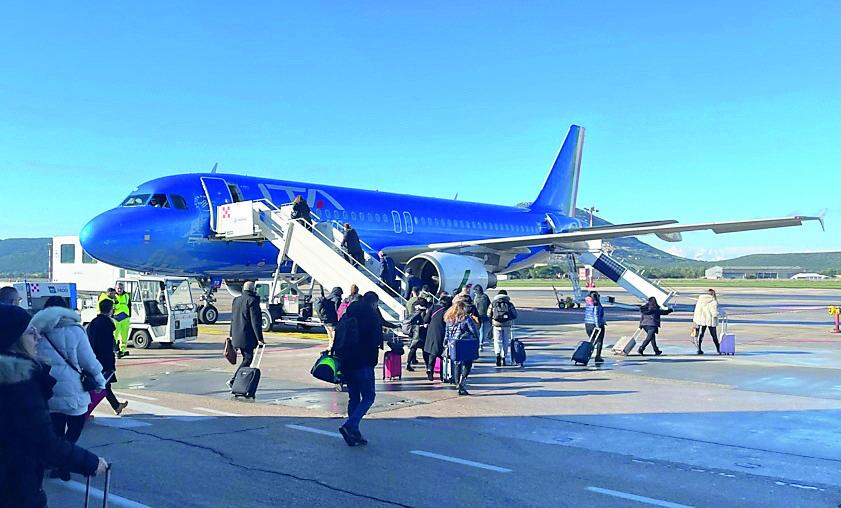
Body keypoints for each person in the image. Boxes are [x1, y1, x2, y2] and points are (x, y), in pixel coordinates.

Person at [0, 304, 109, 507]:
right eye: (30, 332)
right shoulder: (19, 384)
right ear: (13, 340)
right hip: (15, 488)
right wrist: (90, 463)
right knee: (70, 430)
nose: (37, 337)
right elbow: (43, 442)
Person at [31, 296, 107, 482]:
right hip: (73, 390)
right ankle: (64, 461)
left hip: (48, 389)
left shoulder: (36, 331)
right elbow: (88, 360)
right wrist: (100, 380)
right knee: (75, 428)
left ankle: (56, 460)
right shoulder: (75, 330)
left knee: (56, 429)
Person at [336, 291, 383, 446]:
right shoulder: (372, 317)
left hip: (347, 361)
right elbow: (375, 341)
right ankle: (350, 424)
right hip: (364, 362)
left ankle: (354, 432)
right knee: (369, 396)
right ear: (374, 303)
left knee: (354, 397)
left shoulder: (348, 313)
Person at [86, 298, 128, 415]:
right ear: (110, 310)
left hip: (92, 359)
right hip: (103, 360)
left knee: (103, 385)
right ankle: (86, 411)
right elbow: (107, 346)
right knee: (101, 386)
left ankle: (116, 406)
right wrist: (111, 364)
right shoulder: (107, 324)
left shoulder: (93, 322)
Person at [227, 281, 265, 389]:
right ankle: (234, 380)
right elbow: (255, 321)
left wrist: (231, 334)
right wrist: (260, 338)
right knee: (248, 358)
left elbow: (233, 318)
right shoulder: (252, 301)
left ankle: (239, 380)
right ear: (253, 290)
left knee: (246, 358)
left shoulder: (236, 300)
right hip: (246, 336)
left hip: (236, 335)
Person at [444, 299, 479, 396]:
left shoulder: (449, 318)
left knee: (456, 363)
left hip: (453, 343)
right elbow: (474, 331)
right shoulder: (466, 318)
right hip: (464, 343)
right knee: (468, 362)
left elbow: (446, 333)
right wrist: (476, 340)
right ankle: (462, 381)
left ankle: (457, 383)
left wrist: (446, 343)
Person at [423, 295, 451, 381]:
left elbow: (425, 319)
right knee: (443, 355)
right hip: (442, 333)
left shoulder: (433, 307)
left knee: (432, 352)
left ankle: (430, 370)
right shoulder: (447, 311)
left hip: (431, 333)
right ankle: (443, 375)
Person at [490, 289, 518, 366]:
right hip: (507, 325)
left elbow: (489, 313)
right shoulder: (509, 304)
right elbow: (514, 314)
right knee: (505, 341)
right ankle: (504, 356)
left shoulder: (494, 303)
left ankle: (497, 354)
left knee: (497, 341)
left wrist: (492, 319)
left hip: (496, 324)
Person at [693, 289, 721, 354]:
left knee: (701, 334)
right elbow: (714, 313)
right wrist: (719, 314)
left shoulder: (700, 300)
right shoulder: (713, 301)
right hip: (710, 320)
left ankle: (699, 349)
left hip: (701, 320)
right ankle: (718, 349)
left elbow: (697, 311)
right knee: (714, 335)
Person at [406, 298, 430, 372]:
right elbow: (424, 321)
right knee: (424, 350)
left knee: (413, 349)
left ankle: (408, 364)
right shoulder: (422, 311)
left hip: (414, 333)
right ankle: (427, 366)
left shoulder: (414, 309)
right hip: (421, 333)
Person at [584, 292, 607, 363]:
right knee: (599, 340)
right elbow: (596, 315)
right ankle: (598, 356)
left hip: (588, 324)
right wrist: (598, 325)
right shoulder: (596, 305)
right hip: (596, 324)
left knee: (592, 340)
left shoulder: (588, 305)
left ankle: (585, 354)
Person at [112, 283, 132, 358]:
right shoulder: (113, 296)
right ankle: (115, 350)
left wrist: (129, 316)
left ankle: (122, 351)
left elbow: (129, 306)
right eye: (118, 288)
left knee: (124, 336)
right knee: (115, 336)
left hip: (125, 318)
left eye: (121, 288)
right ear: (115, 288)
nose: (119, 290)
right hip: (116, 318)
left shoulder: (126, 296)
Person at [473, 285, 491, 352]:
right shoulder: (485, 296)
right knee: (482, 331)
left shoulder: (476, 298)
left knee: (476, 330)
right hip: (484, 315)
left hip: (477, 316)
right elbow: (489, 304)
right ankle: (481, 343)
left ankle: (477, 343)